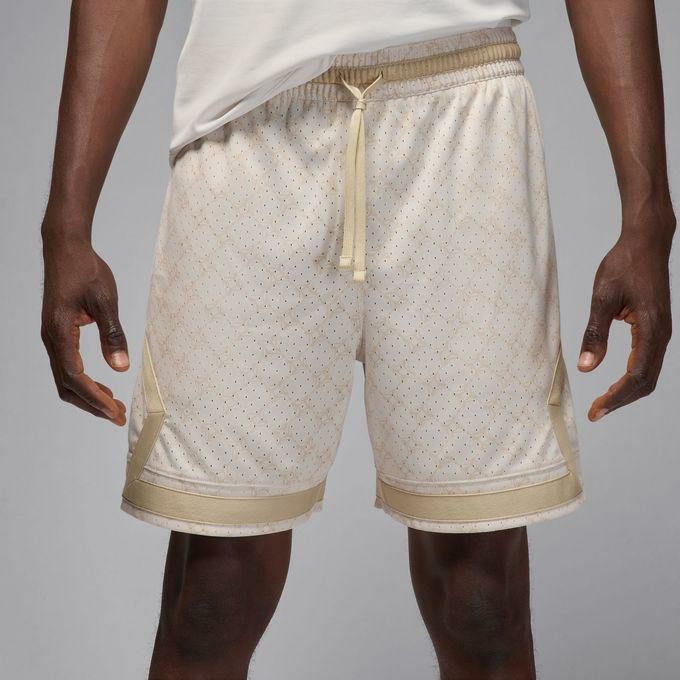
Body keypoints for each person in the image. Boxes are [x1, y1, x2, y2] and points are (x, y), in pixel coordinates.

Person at [40, 1, 675, 678]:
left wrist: (648, 216)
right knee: (212, 596)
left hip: (464, 119)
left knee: (481, 600)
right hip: (248, 125)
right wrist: (66, 226)